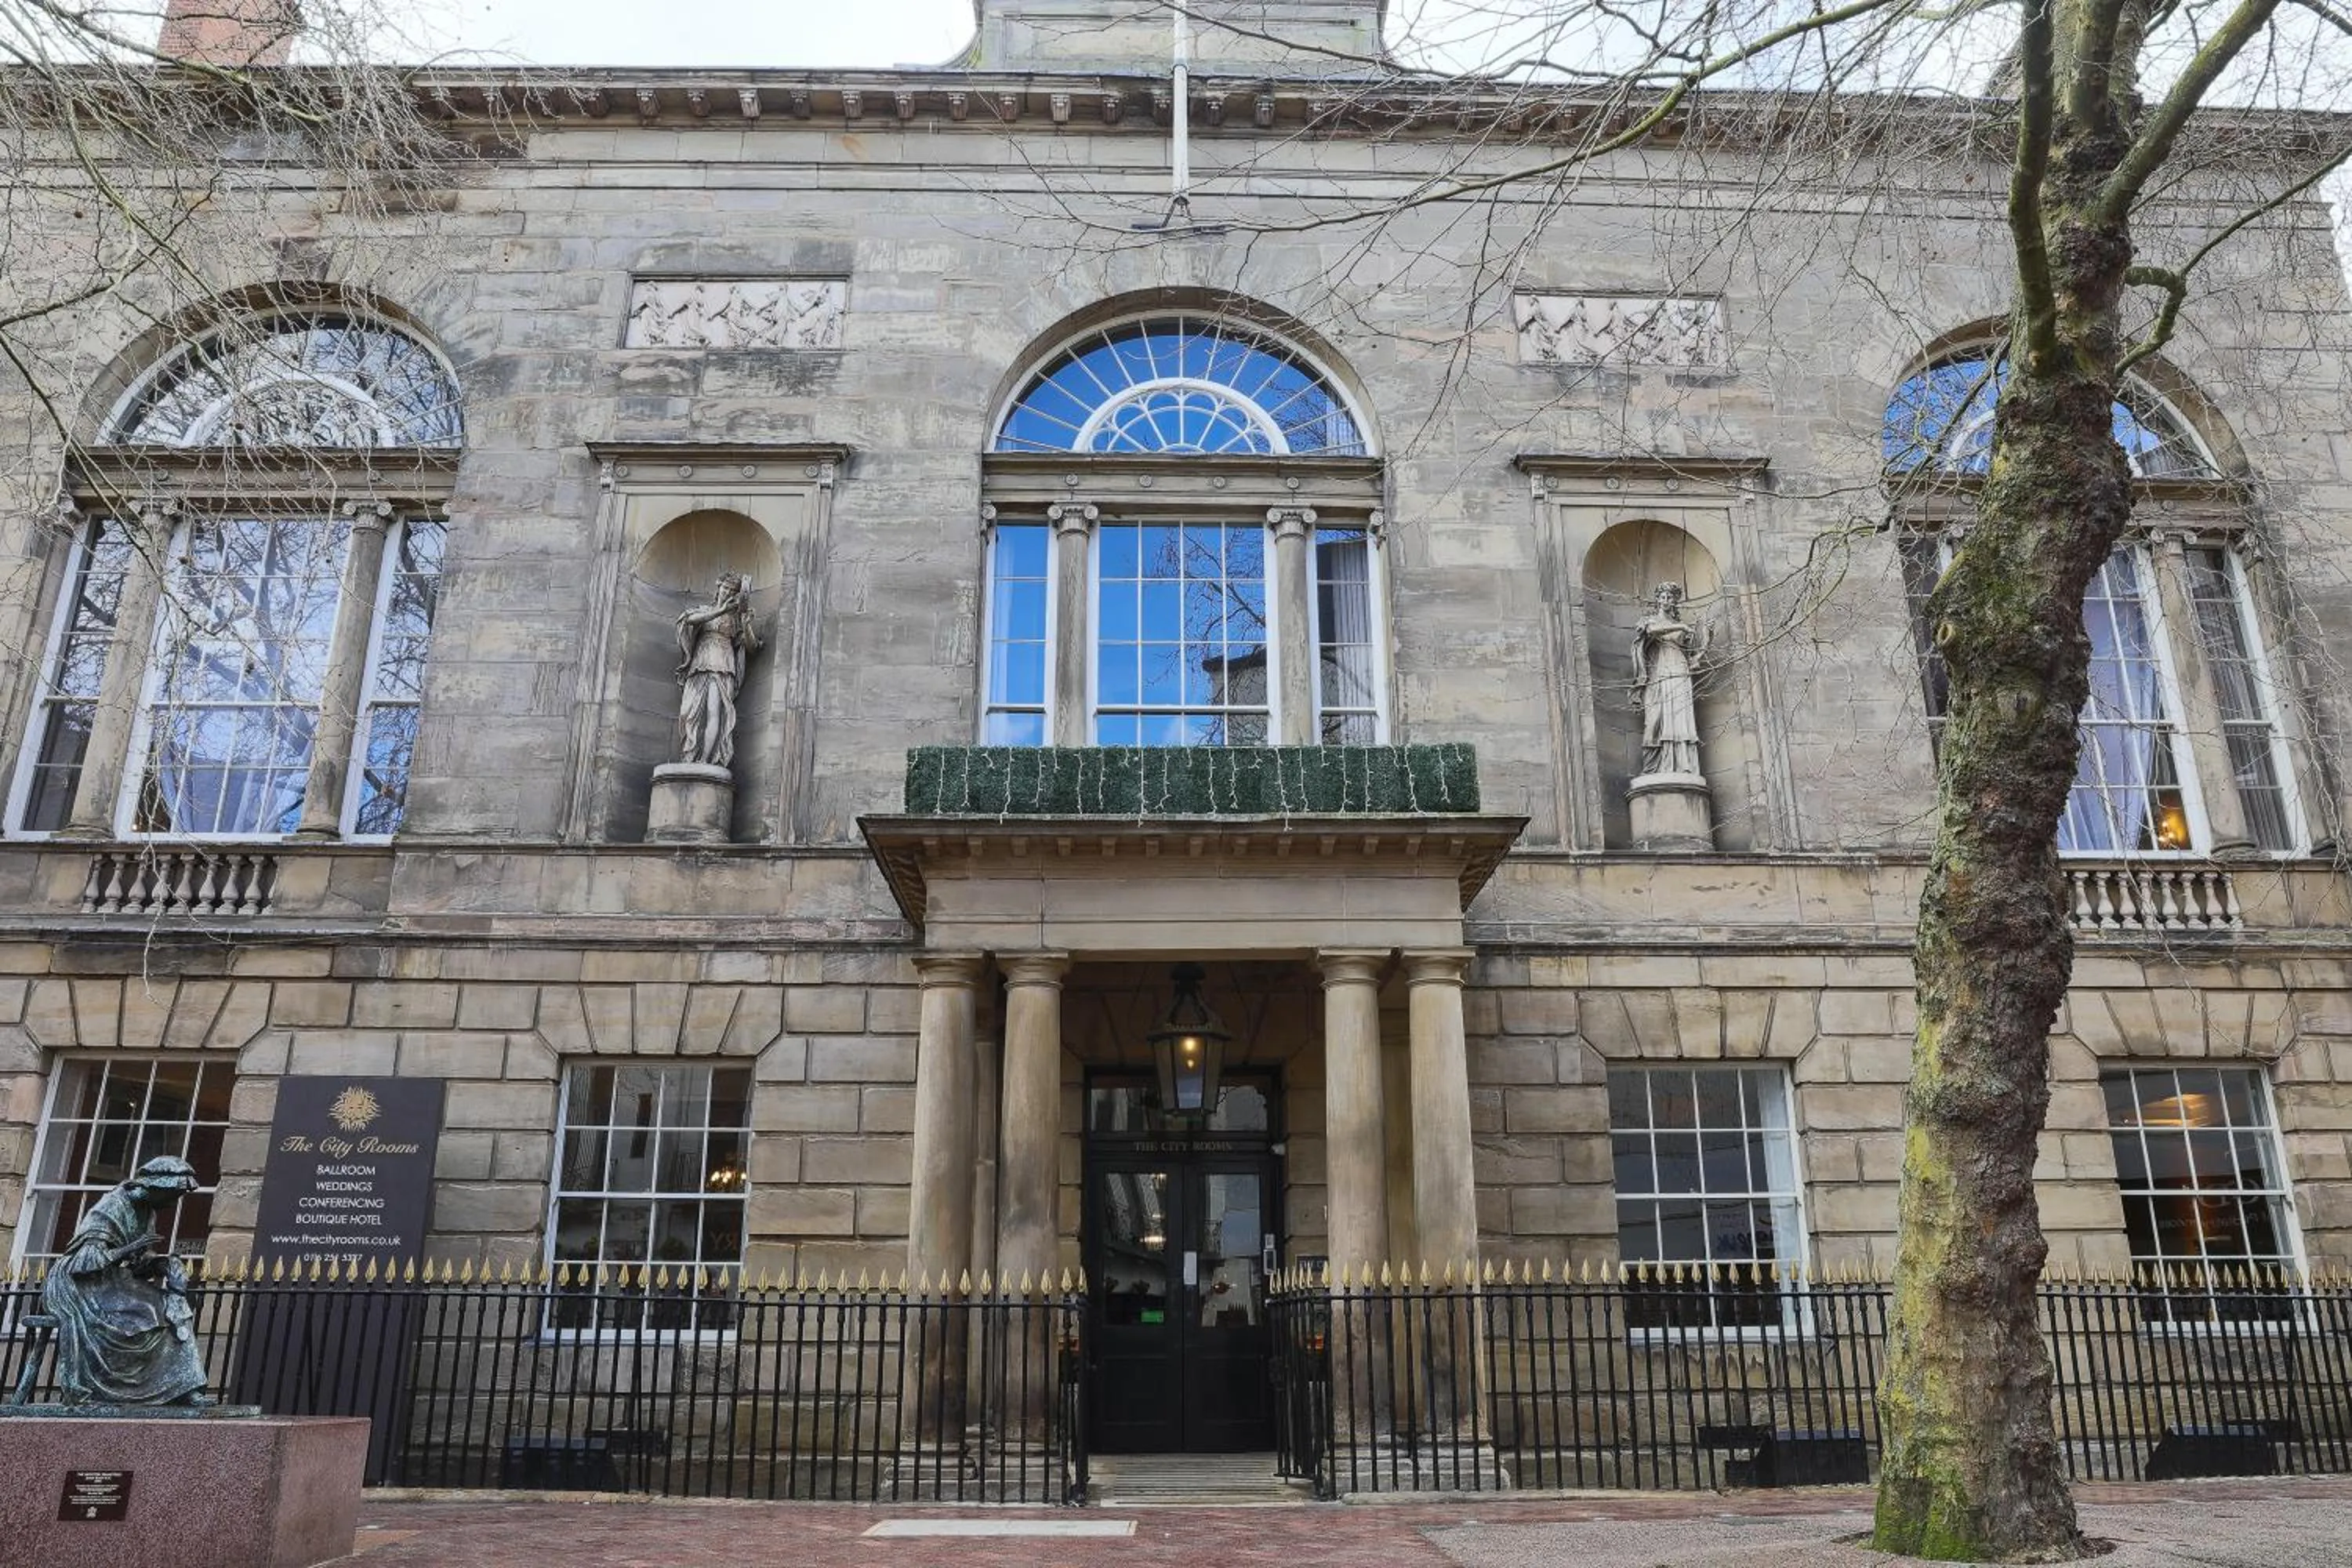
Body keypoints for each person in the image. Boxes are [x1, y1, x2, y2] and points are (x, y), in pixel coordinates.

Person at [42, 1155, 210, 1406]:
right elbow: (84, 1263)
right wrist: (130, 1248)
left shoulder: (146, 1211)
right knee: (148, 1311)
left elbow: (137, 1264)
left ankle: (186, 1387)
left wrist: (162, 1264)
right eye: (173, 1195)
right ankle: (113, 1388)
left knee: (172, 1308)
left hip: (112, 1280)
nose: (174, 1203)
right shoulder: (111, 1206)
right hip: (80, 1285)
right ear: (156, 1188)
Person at [674, 572, 762, 769]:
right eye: (725, 588)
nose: (727, 592)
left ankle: (706, 760)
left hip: (723, 666)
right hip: (699, 665)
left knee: (715, 711)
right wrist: (721, 610)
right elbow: (689, 620)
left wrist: (746, 625)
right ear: (718, 587)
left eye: (732, 591)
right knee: (689, 712)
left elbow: (752, 647)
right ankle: (689, 756)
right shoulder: (705, 611)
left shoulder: (736, 619)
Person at [1631, 580, 1708, 779]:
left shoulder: (1682, 628)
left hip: (1680, 669)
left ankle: (1684, 765)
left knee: (1680, 716)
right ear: (1658, 600)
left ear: (1674, 601)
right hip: (1659, 671)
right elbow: (1650, 632)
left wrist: (1706, 638)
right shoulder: (1650, 621)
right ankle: (1657, 766)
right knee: (1655, 719)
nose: (1666, 600)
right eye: (1663, 597)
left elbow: (1692, 655)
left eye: (1670, 597)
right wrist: (1681, 626)